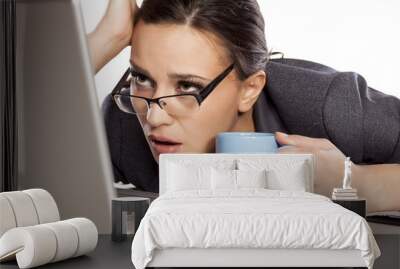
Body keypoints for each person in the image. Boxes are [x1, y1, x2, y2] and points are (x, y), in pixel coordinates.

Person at [88, 0, 400, 213]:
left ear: (249, 89)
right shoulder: (123, 120)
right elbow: (41, 195)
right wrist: (102, 41)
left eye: (187, 86)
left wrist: (355, 183)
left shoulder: (328, 107)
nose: (154, 116)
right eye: (142, 77)